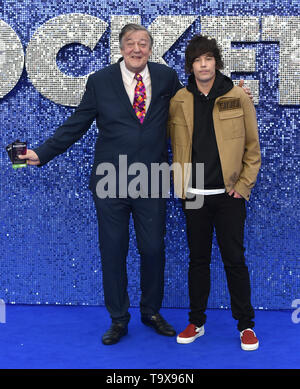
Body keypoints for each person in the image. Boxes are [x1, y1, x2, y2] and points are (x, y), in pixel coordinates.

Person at [20, 24, 252, 346]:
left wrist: (235, 96)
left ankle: (151, 311)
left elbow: (199, 102)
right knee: (113, 251)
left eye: (143, 43)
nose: (137, 49)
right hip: (109, 182)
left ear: (150, 48)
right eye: (131, 43)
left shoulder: (167, 77)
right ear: (121, 47)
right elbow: (77, 125)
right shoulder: (100, 82)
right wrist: (42, 153)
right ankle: (118, 318)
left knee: (153, 249)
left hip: (152, 181)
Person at [168, 35, 261, 351]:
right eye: (197, 60)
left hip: (228, 196)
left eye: (208, 58)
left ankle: (246, 326)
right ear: (191, 66)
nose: (203, 64)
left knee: (234, 260)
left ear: (216, 62)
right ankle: (196, 321)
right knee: (198, 261)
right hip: (193, 194)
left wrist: (243, 187)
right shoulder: (179, 99)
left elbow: (252, 148)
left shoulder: (238, 96)